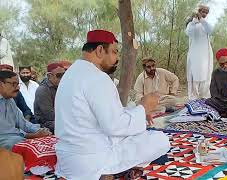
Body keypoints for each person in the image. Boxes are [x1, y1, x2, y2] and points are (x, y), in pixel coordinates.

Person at [54, 30, 170, 180]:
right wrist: (144, 108)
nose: (117, 58)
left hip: (67, 159)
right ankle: (107, 172)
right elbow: (115, 125)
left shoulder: (71, 74)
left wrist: (137, 110)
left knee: (136, 134)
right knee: (159, 139)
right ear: (100, 50)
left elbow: (107, 115)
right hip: (91, 160)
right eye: (115, 52)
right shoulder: (97, 77)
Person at [0, 70, 51, 150]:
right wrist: (31, 135)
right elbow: (5, 132)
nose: (18, 87)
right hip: (7, 140)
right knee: (19, 143)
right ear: (1, 84)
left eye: (18, 84)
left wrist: (40, 130)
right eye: (14, 84)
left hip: (15, 138)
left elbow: (22, 123)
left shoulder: (10, 100)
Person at [185, 4, 214, 100]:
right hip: (195, 53)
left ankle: (205, 96)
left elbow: (210, 30)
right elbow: (188, 32)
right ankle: (193, 97)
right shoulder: (191, 24)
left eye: (206, 12)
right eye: (203, 12)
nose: (204, 14)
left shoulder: (205, 24)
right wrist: (194, 22)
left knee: (205, 73)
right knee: (194, 73)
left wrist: (202, 20)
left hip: (205, 54)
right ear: (199, 11)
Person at [34, 62, 65, 133]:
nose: (63, 78)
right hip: (46, 124)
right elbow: (49, 115)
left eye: (64, 75)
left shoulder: (61, 86)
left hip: (59, 120)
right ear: (49, 76)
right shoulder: (43, 90)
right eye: (59, 75)